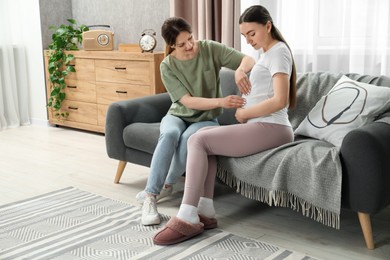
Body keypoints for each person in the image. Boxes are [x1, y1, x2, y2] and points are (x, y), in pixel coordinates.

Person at [153, 5, 297, 245]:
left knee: (197, 139)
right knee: (207, 135)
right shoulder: (268, 53)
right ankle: (206, 211)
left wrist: (244, 114)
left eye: (252, 33)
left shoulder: (279, 52)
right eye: (245, 36)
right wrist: (241, 75)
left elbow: (280, 100)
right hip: (263, 126)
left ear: (268, 26)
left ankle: (187, 215)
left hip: (273, 128)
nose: (249, 40)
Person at [138, 16, 256, 226]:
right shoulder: (167, 65)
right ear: (172, 45)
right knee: (170, 134)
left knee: (188, 140)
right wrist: (221, 100)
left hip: (207, 119)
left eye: (191, 39)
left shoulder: (209, 49)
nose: (190, 46)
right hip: (178, 114)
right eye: (182, 44)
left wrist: (239, 70)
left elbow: (248, 60)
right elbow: (187, 101)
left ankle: (167, 183)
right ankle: (150, 197)